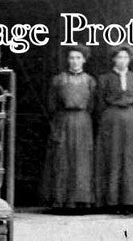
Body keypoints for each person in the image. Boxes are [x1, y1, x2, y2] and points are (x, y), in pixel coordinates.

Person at [95, 45, 133, 211]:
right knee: (113, 157)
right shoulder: (104, 78)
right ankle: (112, 202)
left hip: (131, 121)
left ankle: (130, 201)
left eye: (125, 57)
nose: (122, 60)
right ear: (114, 59)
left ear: (130, 59)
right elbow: (99, 102)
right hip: (111, 121)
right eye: (119, 57)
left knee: (131, 158)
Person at [40, 46, 96, 211]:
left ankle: (81, 201)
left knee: (81, 160)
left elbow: (93, 105)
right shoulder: (59, 80)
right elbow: (52, 104)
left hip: (83, 122)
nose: (75, 61)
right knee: (62, 159)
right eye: (72, 58)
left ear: (84, 60)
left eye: (78, 58)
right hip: (63, 121)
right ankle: (60, 201)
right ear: (67, 60)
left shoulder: (90, 81)